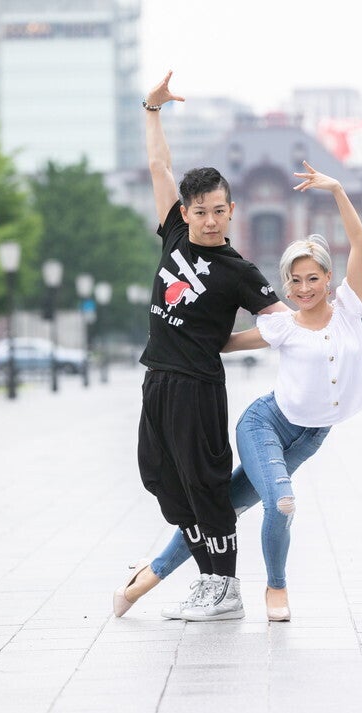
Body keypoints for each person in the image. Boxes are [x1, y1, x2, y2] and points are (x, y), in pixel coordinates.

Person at [114, 160, 362, 622]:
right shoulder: (286, 326)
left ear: (329, 279)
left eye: (313, 279)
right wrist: (191, 340)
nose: (304, 288)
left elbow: (361, 244)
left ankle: (148, 577)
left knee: (221, 506)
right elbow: (230, 341)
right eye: (295, 281)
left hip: (311, 434)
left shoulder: (349, 314)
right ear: (286, 286)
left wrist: (336, 188)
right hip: (265, 423)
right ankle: (274, 589)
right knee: (280, 502)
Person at [113, 72, 285, 622]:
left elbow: (282, 326)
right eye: (200, 211)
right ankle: (208, 580)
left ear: (231, 210)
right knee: (161, 478)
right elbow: (159, 166)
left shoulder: (240, 271)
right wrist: (152, 109)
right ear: (185, 212)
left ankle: (224, 586)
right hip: (158, 379)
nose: (210, 221)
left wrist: (226, 344)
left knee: (204, 485)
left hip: (197, 387)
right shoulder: (173, 233)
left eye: (219, 210)